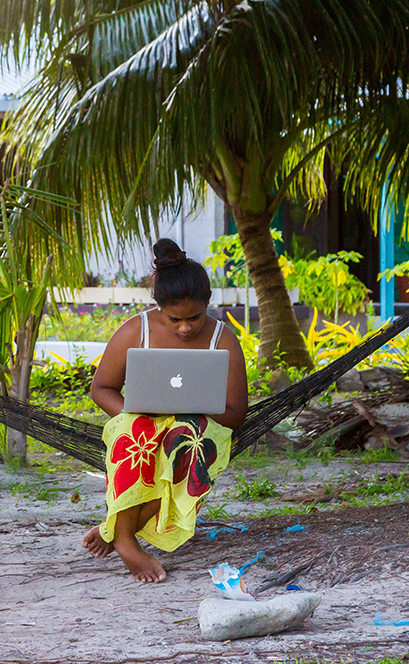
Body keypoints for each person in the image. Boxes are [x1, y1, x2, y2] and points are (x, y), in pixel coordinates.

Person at [82, 238, 249, 583]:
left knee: (188, 440)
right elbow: (101, 389)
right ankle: (127, 540)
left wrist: (192, 407)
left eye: (195, 318)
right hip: (141, 421)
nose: (185, 328)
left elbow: (236, 415)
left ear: (208, 305)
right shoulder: (135, 331)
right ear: (159, 308)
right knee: (135, 433)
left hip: (202, 425)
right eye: (175, 319)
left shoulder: (223, 339)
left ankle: (116, 530)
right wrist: (136, 413)